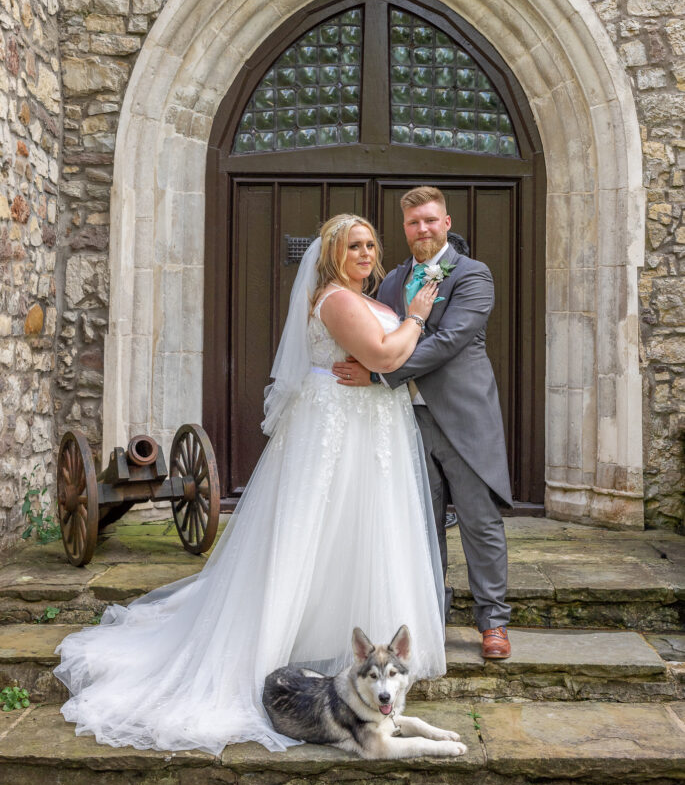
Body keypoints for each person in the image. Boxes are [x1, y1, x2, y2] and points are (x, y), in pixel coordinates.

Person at [54, 215, 447, 756]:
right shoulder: (335, 299)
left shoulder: (364, 296)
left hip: (368, 426)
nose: (364, 252)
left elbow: (386, 360)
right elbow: (384, 355)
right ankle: (282, 646)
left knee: (364, 530)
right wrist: (418, 318)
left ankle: (352, 654)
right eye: (353, 245)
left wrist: (390, 354)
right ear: (331, 254)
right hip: (339, 426)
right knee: (316, 528)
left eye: (370, 244)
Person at [332, 187, 513, 660]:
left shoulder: (474, 276)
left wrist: (378, 374)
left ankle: (493, 622)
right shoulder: (391, 282)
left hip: (463, 416)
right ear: (405, 228)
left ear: (447, 222)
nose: (423, 229)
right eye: (414, 223)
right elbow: (373, 334)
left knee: (480, 521)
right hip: (403, 421)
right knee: (420, 525)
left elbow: (449, 341)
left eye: (431, 220)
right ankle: (430, 617)